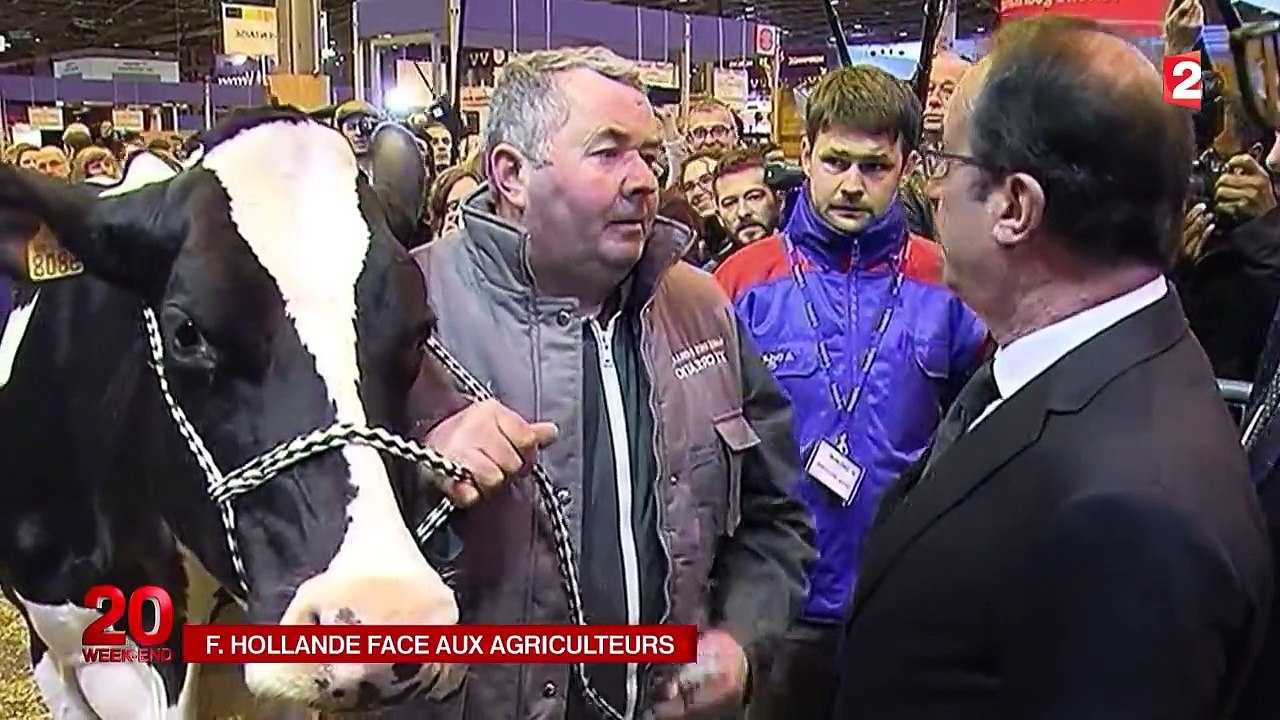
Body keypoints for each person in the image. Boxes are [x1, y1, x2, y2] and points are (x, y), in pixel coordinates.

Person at [832, 17, 1273, 719]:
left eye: (944, 164)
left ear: (1014, 207)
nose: (933, 193)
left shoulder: (1129, 513)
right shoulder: (1088, 365)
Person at [411, 45, 816, 720]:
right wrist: (418, 460)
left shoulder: (702, 306)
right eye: (608, 153)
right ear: (512, 174)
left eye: (650, 156)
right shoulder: (410, 315)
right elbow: (303, 542)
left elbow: (776, 518)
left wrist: (741, 640)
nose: (644, 181)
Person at [713, 64, 987, 719]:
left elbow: (982, 428)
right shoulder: (739, 281)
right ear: (803, 156)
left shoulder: (949, 278)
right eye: (836, 161)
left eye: (875, 166)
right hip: (778, 603)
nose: (853, 185)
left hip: (902, 595)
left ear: (908, 166)